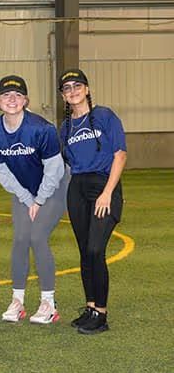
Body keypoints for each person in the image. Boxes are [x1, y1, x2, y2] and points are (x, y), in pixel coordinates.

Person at [0, 75, 67, 324]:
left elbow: (55, 170)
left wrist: (39, 200)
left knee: (37, 236)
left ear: (25, 100)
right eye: (6, 95)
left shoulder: (42, 129)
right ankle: (18, 301)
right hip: (24, 192)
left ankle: (48, 303)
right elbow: (1, 172)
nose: (12, 99)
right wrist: (26, 198)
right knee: (20, 239)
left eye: (17, 95)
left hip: (53, 188)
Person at [59, 69, 126, 335]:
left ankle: (102, 313)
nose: (73, 90)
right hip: (77, 188)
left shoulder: (105, 116)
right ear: (63, 95)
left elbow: (119, 155)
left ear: (87, 89)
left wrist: (108, 192)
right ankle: (90, 307)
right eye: (67, 88)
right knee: (85, 251)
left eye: (77, 85)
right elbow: (67, 164)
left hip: (103, 186)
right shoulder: (65, 128)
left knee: (96, 249)